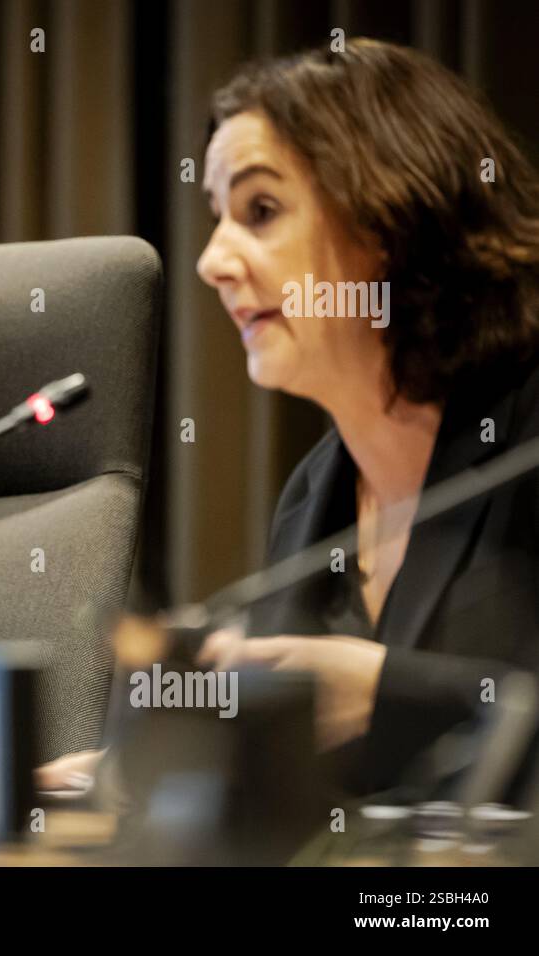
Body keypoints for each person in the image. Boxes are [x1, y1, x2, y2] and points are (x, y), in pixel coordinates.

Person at [193, 38, 539, 794]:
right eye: (217, 216)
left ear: (390, 217)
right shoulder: (315, 494)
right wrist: (163, 771)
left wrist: (398, 703)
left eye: (260, 210)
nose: (212, 260)